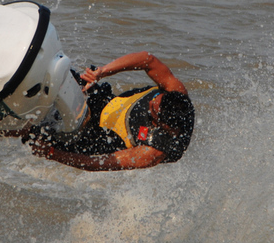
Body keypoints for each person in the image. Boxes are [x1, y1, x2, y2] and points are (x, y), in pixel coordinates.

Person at [24, 51, 195, 171]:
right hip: (108, 103)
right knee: (59, 78)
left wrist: (52, 154)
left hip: (100, 138)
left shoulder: (153, 152)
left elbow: (97, 163)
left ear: (161, 124)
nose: (151, 101)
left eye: (153, 108)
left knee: (32, 132)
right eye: (157, 98)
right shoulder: (175, 91)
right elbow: (147, 59)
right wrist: (102, 72)